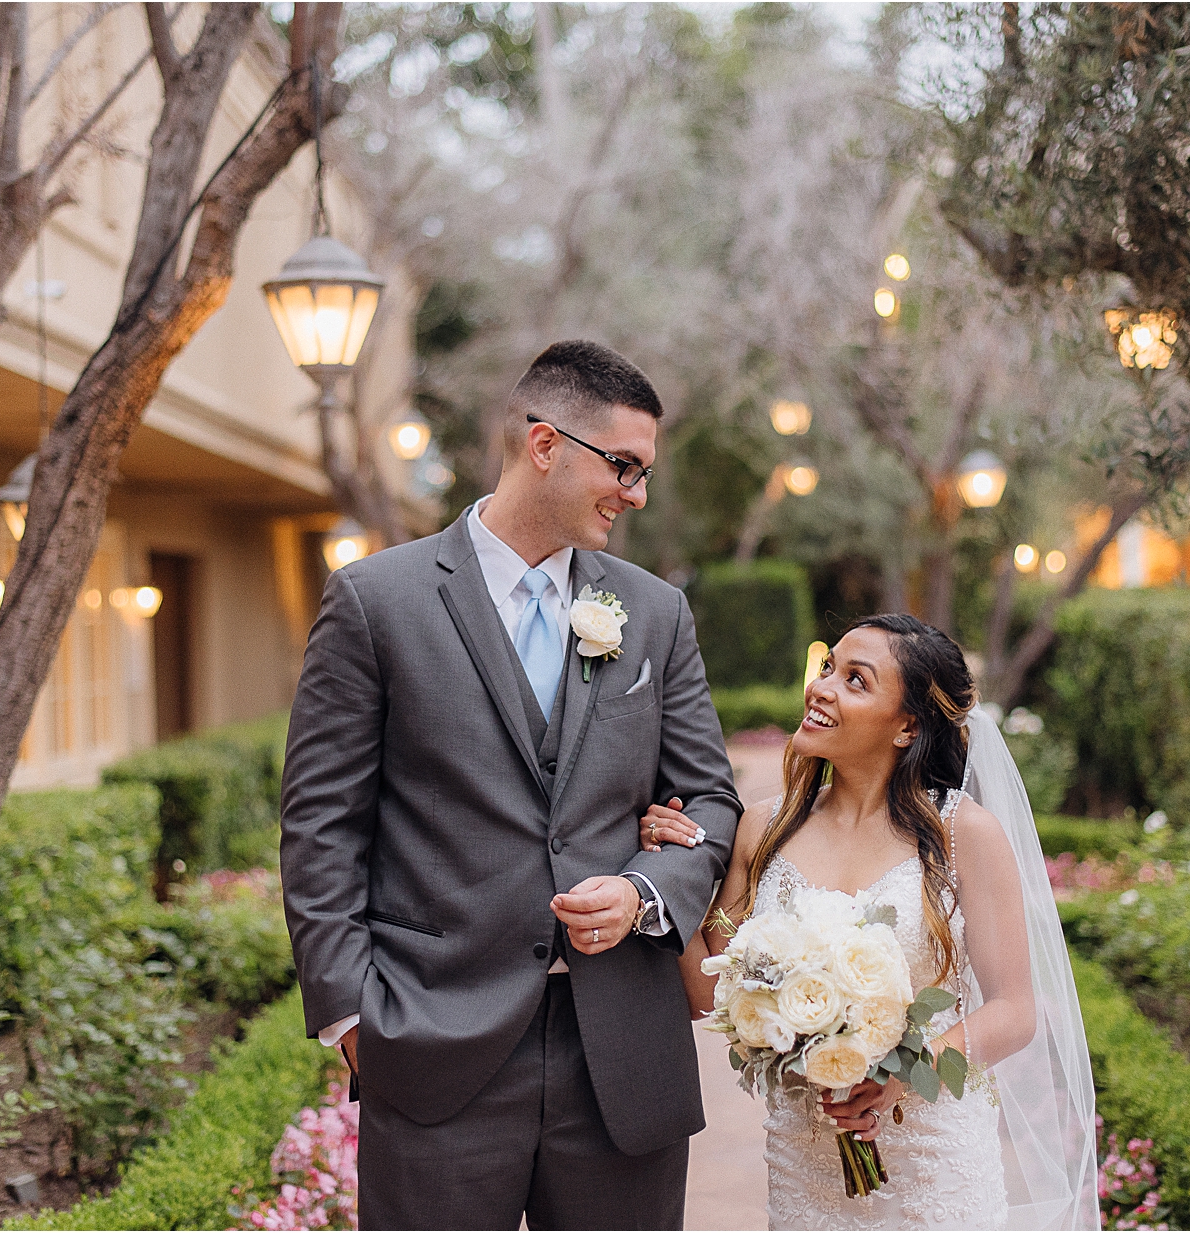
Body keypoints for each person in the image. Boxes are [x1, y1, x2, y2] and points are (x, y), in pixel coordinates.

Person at [280, 340, 742, 1230]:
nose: (635, 494)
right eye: (623, 466)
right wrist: (350, 1016)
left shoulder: (654, 612)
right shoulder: (377, 601)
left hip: (622, 1054)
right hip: (431, 1039)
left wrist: (647, 891)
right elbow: (321, 826)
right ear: (543, 444)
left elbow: (711, 799)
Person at [645, 615, 1100, 1230]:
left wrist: (900, 1076)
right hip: (804, 1167)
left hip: (931, 1163)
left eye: (855, 681)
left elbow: (1015, 1012)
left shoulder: (964, 836)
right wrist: (670, 872)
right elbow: (709, 993)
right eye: (828, 667)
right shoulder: (766, 827)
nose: (822, 687)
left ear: (907, 727)